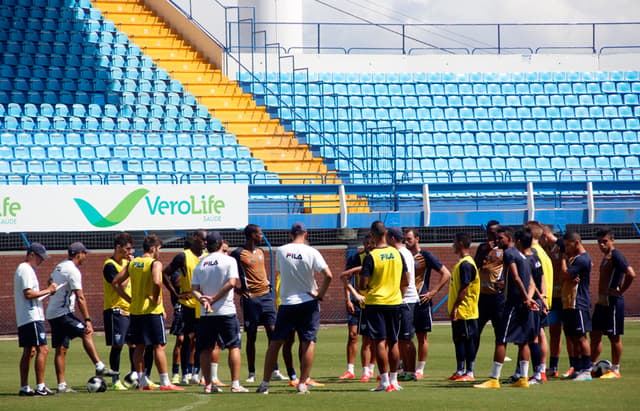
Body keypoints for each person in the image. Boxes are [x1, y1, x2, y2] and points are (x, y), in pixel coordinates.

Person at [257, 222, 332, 394]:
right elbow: (329, 275)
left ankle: (265, 384)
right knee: (308, 342)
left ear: (291, 234)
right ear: (305, 234)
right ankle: (302, 383)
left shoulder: (281, 251)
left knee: (275, 343)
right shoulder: (312, 252)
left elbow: (280, 273)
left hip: (287, 303)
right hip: (308, 301)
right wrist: (320, 293)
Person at [113, 234, 183, 391]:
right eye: (158, 249)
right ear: (153, 248)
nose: (159, 252)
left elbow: (115, 282)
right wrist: (156, 297)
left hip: (136, 311)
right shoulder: (154, 263)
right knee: (159, 345)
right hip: (151, 311)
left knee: (139, 346)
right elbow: (157, 281)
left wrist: (129, 299)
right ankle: (165, 382)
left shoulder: (133, 263)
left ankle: (143, 382)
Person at [46, 242, 118, 393]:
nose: (86, 256)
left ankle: (61, 386)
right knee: (86, 331)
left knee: (61, 349)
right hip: (62, 313)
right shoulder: (73, 271)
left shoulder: (60, 265)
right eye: (84, 254)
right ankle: (99, 366)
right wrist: (87, 320)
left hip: (52, 313)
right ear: (78, 254)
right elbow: (81, 297)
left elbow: (49, 281)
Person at [474, 228, 538, 389]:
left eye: (501, 238)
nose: (498, 240)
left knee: (501, 339)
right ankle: (523, 378)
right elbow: (531, 281)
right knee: (523, 341)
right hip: (524, 303)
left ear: (513, 239)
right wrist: (530, 298)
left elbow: (516, 277)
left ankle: (494, 379)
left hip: (514, 303)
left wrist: (524, 297)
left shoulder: (510, 253)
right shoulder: (528, 256)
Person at [192, 231, 248, 393]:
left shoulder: (201, 263)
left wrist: (203, 300)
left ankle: (208, 384)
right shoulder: (229, 260)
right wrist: (214, 298)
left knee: (205, 349)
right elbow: (232, 283)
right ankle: (235, 384)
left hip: (206, 314)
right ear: (220, 243)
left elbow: (194, 289)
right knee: (234, 347)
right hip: (226, 311)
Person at [359, 221, 409, 392]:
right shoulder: (397, 253)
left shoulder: (370, 257)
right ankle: (394, 381)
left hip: (375, 303)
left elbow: (363, 284)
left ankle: (385, 381)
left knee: (380, 342)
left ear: (372, 235)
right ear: (386, 234)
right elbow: (407, 280)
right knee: (394, 341)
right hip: (395, 302)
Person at [231, 224, 286, 382]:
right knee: (252, 336)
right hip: (251, 299)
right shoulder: (238, 253)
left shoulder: (261, 251)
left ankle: (275, 369)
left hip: (266, 297)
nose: (262, 236)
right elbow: (229, 273)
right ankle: (252, 373)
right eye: (260, 233)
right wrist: (238, 289)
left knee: (273, 332)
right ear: (252, 235)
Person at [404, 228, 450, 379]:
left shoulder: (426, 256)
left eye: (409, 239)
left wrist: (432, 292)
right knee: (404, 336)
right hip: (405, 301)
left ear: (417, 239)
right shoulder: (402, 255)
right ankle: (405, 367)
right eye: (405, 239)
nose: (406, 241)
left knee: (421, 335)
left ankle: (420, 369)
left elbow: (446, 273)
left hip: (421, 301)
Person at [162, 230, 207, 385]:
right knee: (186, 339)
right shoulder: (183, 256)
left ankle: (198, 372)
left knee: (201, 339)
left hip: (203, 303)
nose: (205, 242)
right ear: (195, 239)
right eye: (203, 239)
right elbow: (165, 273)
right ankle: (185, 373)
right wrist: (176, 293)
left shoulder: (208, 257)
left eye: (207, 240)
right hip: (187, 303)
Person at [14, 242, 57, 396]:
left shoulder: (26, 269)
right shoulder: (25, 269)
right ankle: (40, 386)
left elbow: (32, 294)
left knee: (29, 351)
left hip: (27, 316)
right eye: (40, 257)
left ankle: (24, 387)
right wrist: (48, 289)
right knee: (43, 349)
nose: (42, 260)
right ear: (32, 254)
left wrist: (47, 292)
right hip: (31, 316)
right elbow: (29, 294)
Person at [591, 228, 635, 378]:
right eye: (599, 242)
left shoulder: (617, 255)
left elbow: (631, 274)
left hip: (613, 302)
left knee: (614, 336)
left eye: (604, 241)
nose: (601, 245)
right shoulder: (606, 257)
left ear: (612, 240)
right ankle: (591, 366)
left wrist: (620, 291)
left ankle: (616, 369)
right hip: (601, 302)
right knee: (595, 334)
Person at [339, 233, 376, 381]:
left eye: (371, 242)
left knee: (369, 338)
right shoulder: (355, 258)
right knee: (353, 335)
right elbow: (346, 279)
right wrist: (348, 300)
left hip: (372, 301)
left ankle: (370, 368)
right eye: (366, 243)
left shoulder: (377, 258)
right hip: (356, 301)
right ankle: (350, 369)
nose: (369, 245)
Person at [102, 233, 136, 390]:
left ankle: (134, 376)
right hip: (115, 309)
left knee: (133, 344)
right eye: (127, 249)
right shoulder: (109, 265)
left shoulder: (126, 262)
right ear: (118, 247)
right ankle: (115, 380)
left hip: (130, 309)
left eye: (131, 249)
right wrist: (129, 269)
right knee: (117, 346)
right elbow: (119, 285)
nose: (130, 252)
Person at [540, 224, 574, 377]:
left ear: (545, 236)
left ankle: (574, 365)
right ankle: (553, 367)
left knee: (570, 333)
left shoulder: (561, 245)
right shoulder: (544, 250)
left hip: (565, 297)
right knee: (554, 331)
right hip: (553, 297)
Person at [387, 227, 418, 382]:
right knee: (401, 338)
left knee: (406, 338)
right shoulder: (404, 252)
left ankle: (411, 371)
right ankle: (406, 369)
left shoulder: (401, 253)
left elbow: (405, 277)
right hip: (403, 299)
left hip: (405, 300)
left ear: (392, 239)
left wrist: (400, 297)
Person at [560, 231, 593, 381]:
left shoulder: (582, 259)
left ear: (577, 242)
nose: (566, 248)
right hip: (569, 302)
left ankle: (587, 370)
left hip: (578, 302)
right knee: (572, 337)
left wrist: (562, 259)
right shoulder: (574, 259)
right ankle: (578, 368)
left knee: (581, 337)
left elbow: (565, 275)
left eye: (568, 245)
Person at [447, 233, 480, 382]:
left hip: (465, 310)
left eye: (454, 242)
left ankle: (469, 372)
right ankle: (460, 371)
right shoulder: (462, 263)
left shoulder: (466, 264)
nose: (452, 245)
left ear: (460, 243)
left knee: (467, 340)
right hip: (461, 310)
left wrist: (455, 307)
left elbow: (464, 289)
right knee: (459, 340)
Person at [473, 220, 505, 356]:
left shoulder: (504, 248)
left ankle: (497, 366)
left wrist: (505, 281)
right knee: (475, 331)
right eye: (488, 232)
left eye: (493, 233)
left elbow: (511, 267)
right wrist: (485, 250)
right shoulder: (482, 247)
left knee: (499, 332)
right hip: (482, 296)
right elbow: (475, 265)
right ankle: (470, 365)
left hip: (498, 296)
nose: (490, 235)